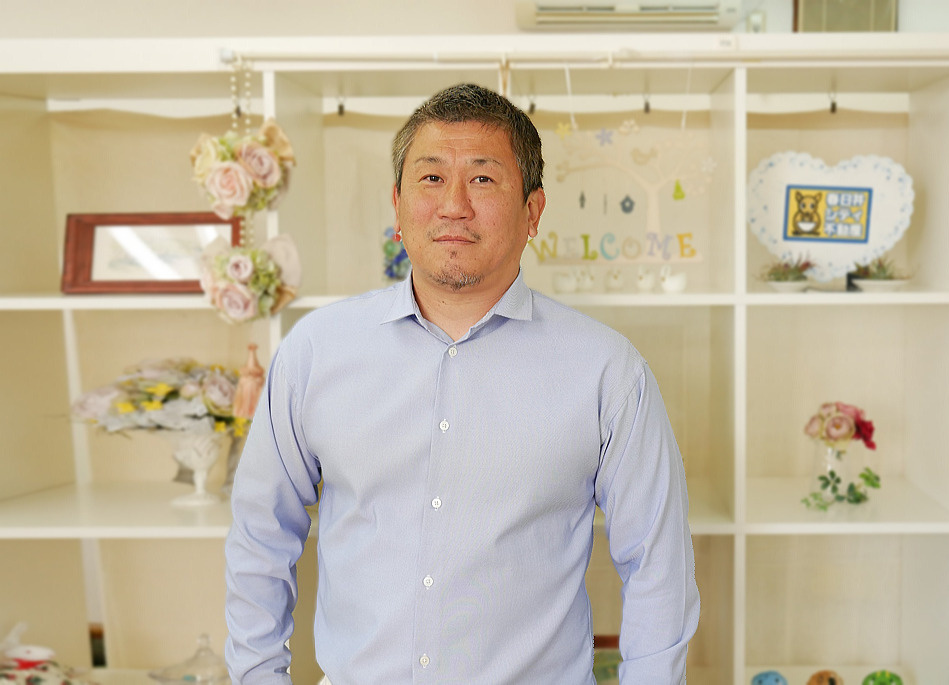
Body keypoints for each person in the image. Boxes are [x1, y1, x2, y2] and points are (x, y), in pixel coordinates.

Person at [225, 83, 699, 684]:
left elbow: (658, 565)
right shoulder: (316, 352)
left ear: (532, 211)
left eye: (482, 179)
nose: (453, 205)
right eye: (431, 178)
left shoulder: (606, 370)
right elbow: (261, 536)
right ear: (397, 204)